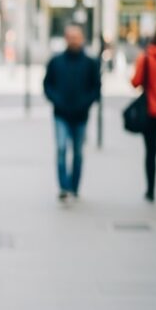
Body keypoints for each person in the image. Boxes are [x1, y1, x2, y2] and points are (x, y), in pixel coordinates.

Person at [43, 25, 100, 202]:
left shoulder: (90, 63)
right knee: (61, 149)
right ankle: (64, 186)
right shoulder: (56, 61)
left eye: (77, 37)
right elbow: (47, 85)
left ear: (82, 38)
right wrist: (56, 100)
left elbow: (96, 88)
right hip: (61, 114)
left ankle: (74, 186)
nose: (74, 40)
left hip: (81, 115)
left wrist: (86, 103)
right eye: (70, 37)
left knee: (77, 152)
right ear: (65, 39)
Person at [131, 27, 156, 206]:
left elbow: (135, 82)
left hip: (150, 112)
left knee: (151, 153)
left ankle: (151, 191)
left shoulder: (146, 58)